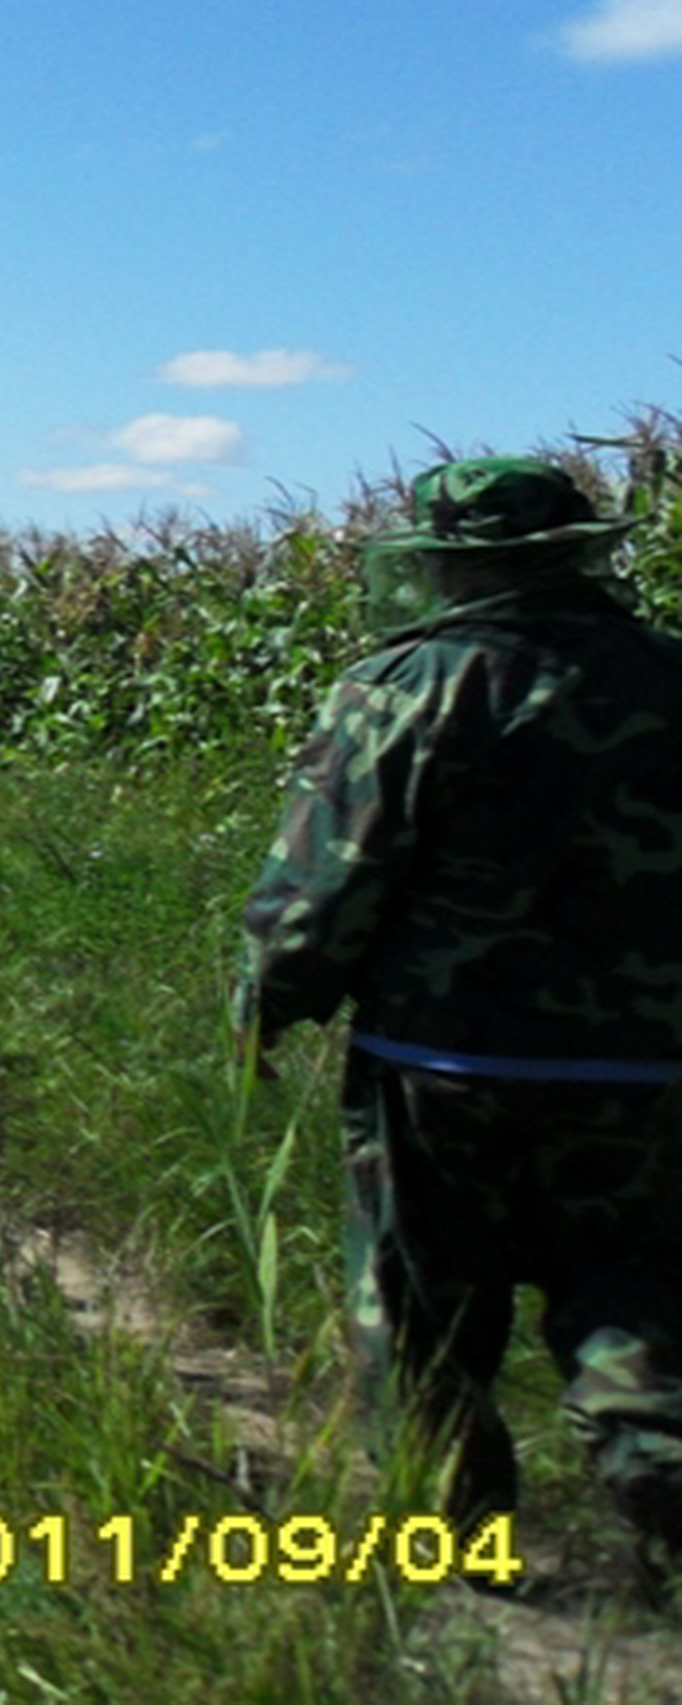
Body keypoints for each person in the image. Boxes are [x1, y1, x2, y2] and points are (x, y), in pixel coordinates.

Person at [239, 453, 682, 1566]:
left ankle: (457, 1546)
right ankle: (653, 1454)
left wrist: (269, 1001)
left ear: (445, 563)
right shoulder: (671, 677)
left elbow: (326, 883)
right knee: (635, 1288)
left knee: (425, 1319)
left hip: (437, 1065)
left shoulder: (404, 687)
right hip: (649, 1074)